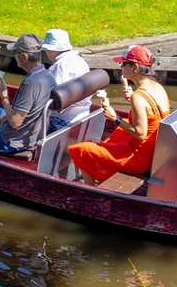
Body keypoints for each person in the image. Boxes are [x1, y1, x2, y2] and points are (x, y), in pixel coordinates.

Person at [66, 45, 170, 185]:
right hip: (153, 152)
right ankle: (103, 162)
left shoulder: (139, 97)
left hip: (140, 158)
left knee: (83, 150)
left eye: (123, 63)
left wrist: (115, 118)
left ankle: (90, 191)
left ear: (135, 67)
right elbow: (152, 114)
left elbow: (140, 134)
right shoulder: (157, 87)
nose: (121, 66)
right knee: (120, 132)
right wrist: (133, 100)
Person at [42, 28, 92, 131]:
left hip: (63, 120)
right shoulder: (80, 60)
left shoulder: (60, 66)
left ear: (54, 49)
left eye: (46, 49)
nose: (45, 52)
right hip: (82, 114)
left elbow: (53, 97)